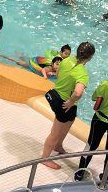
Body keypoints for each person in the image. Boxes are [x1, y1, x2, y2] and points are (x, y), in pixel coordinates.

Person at [40, 40, 94, 169]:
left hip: (56, 94)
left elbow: (58, 74)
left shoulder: (66, 60)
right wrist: (71, 101)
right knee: (55, 133)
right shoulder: (82, 73)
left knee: (70, 121)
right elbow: (78, 92)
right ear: (90, 57)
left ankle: (58, 146)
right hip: (63, 103)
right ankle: (45, 158)